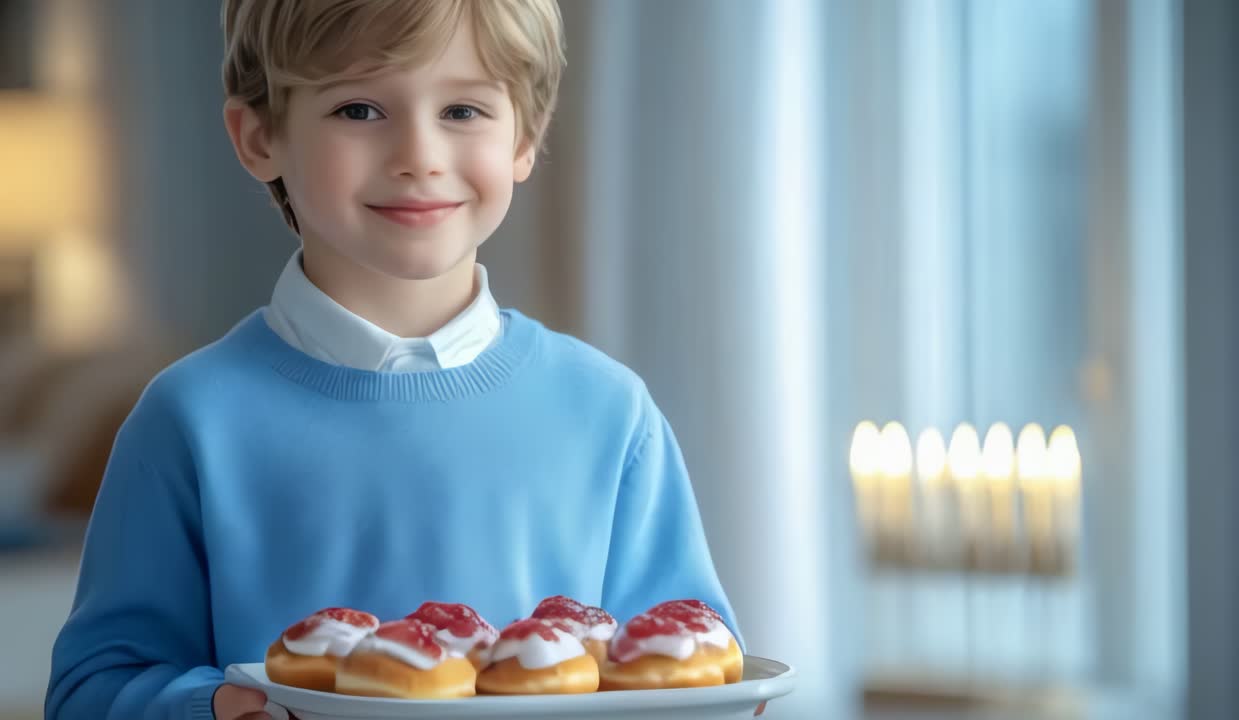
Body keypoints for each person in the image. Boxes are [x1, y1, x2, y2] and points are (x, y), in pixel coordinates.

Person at [45, 1, 740, 718]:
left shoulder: (610, 414)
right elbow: (93, 691)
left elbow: (693, 670)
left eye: (464, 111)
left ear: (525, 139)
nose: (419, 155)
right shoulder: (190, 420)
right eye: (358, 110)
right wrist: (218, 708)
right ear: (259, 138)